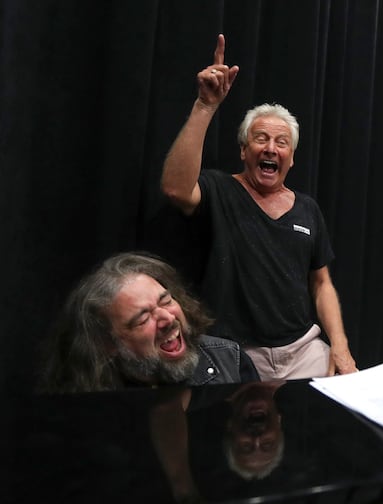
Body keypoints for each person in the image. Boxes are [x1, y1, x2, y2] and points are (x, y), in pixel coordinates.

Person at [161, 34, 357, 380]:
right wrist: (205, 106)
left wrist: (339, 346)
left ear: (291, 159)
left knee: (345, 410)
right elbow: (176, 189)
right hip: (235, 355)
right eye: (260, 139)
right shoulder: (220, 189)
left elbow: (322, 284)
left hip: (303, 350)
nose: (270, 148)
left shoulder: (308, 209)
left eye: (281, 143)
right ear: (243, 150)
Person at [38, 252, 259, 393]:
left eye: (166, 301)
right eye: (142, 318)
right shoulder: (80, 394)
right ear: (107, 343)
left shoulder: (231, 361)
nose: (168, 319)